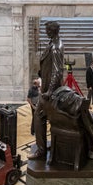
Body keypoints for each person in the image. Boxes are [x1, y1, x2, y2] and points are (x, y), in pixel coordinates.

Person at [29, 21, 64, 160]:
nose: (46, 32)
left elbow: (57, 70)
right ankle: (44, 147)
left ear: (52, 31)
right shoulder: (54, 42)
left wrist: (49, 91)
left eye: (47, 30)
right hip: (48, 88)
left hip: (50, 91)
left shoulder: (55, 46)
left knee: (38, 118)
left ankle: (41, 150)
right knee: (40, 118)